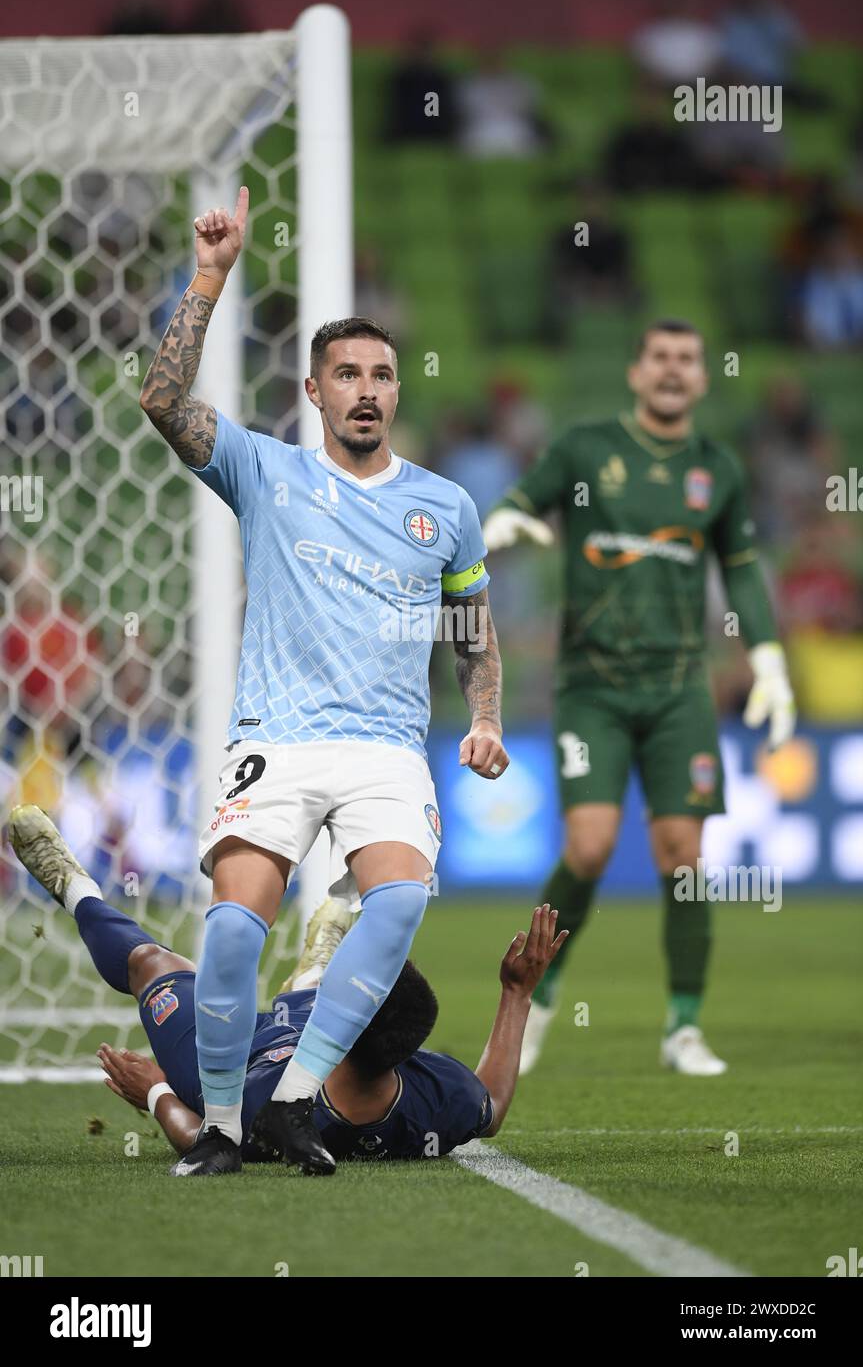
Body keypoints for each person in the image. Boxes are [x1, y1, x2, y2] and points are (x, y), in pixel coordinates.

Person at [138, 187, 509, 1175]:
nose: (364, 389)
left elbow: (472, 630)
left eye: (380, 374)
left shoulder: (444, 506)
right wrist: (211, 276)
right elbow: (162, 403)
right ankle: (221, 1128)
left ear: (397, 390)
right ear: (313, 390)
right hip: (282, 733)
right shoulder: (265, 471)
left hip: (386, 748)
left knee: (396, 903)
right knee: (229, 931)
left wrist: (483, 717)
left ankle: (294, 1098)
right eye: (344, 372)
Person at [482, 320, 796, 1076]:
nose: (673, 370)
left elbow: (744, 569)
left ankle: (683, 1026)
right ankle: (542, 995)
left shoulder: (715, 469)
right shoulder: (587, 449)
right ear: (636, 371)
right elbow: (515, 506)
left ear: (701, 377)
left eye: (687, 360)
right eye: (660, 357)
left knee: (683, 856)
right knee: (587, 846)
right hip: (593, 687)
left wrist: (769, 658)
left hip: (679, 688)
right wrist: (506, 523)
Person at [8, 805, 565, 1165]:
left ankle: (73, 885)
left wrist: (156, 1090)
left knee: (152, 962)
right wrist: (515, 994)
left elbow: (198, 1134)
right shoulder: (435, 1091)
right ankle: (320, 963)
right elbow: (491, 1105)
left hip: (229, 1058)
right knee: (305, 990)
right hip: (315, 1029)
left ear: (341, 1019)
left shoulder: (261, 1112)